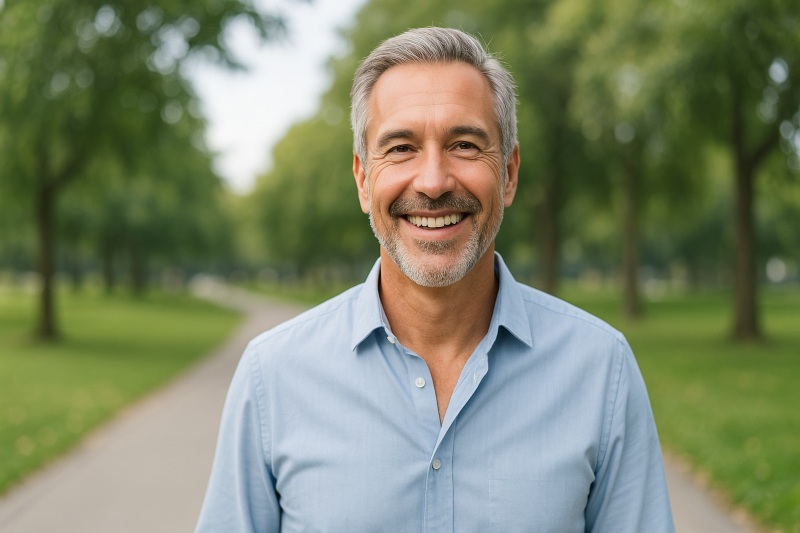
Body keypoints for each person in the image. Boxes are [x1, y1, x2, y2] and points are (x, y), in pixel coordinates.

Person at [196, 27, 674, 532]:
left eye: (464, 145)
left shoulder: (601, 370)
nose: (432, 182)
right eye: (401, 148)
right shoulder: (272, 376)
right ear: (363, 180)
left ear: (509, 174)